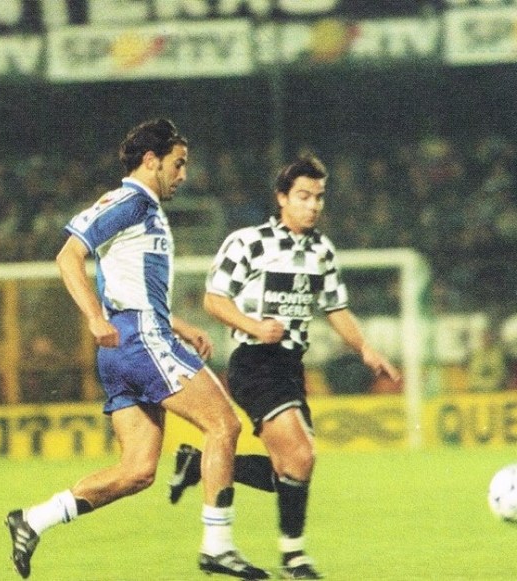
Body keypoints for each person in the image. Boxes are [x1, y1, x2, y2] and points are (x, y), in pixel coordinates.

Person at [5, 119, 269, 580]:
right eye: (178, 164)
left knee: (138, 470)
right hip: (139, 340)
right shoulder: (130, 201)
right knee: (223, 425)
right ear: (151, 160)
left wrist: (178, 324)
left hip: (126, 348)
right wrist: (94, 317)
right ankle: (218, 546)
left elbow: (126, 283)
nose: (183, 174)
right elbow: (68, 255)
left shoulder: (143, 210)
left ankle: (33, 520)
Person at [169, 155, 401, 579]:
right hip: (254, 362)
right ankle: (293, 558)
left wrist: (366, 348)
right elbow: (214, 300)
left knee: (292, 469)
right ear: (282, 198)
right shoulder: (249, 242)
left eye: (319, 197)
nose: (313, 206)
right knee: (301, 455)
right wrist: (254, 326)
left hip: (291, 366)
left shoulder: (322, 251)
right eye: (303, 196)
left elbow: (336, 308)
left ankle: (199, 463)